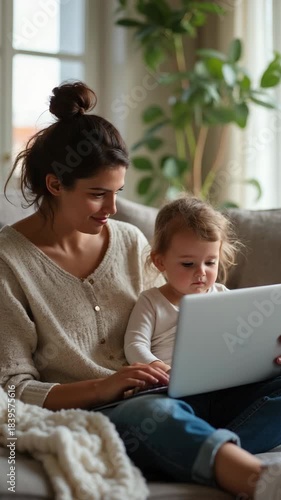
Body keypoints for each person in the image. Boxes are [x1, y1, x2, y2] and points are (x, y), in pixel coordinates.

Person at [0, 81, 281, 500]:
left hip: (179, 397)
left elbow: (181, 323)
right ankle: (256, 479)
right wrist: (106, 386)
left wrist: (255, 353)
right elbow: (11, 392)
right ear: (55, 185)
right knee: (150, 412)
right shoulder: (9, 262)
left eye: (117, 193)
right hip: (110, 413)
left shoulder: (130, 240)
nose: (111, 209)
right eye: (97, 194)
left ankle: (194, 448)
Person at [124, 195, 236, 371]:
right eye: (188, 264)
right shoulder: (152, 302)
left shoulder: (223, 295)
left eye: (210, 262)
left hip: (221, 378)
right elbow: (135, 345)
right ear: (160, 262)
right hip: (169, 382)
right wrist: (159, 367)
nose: (201, 272)